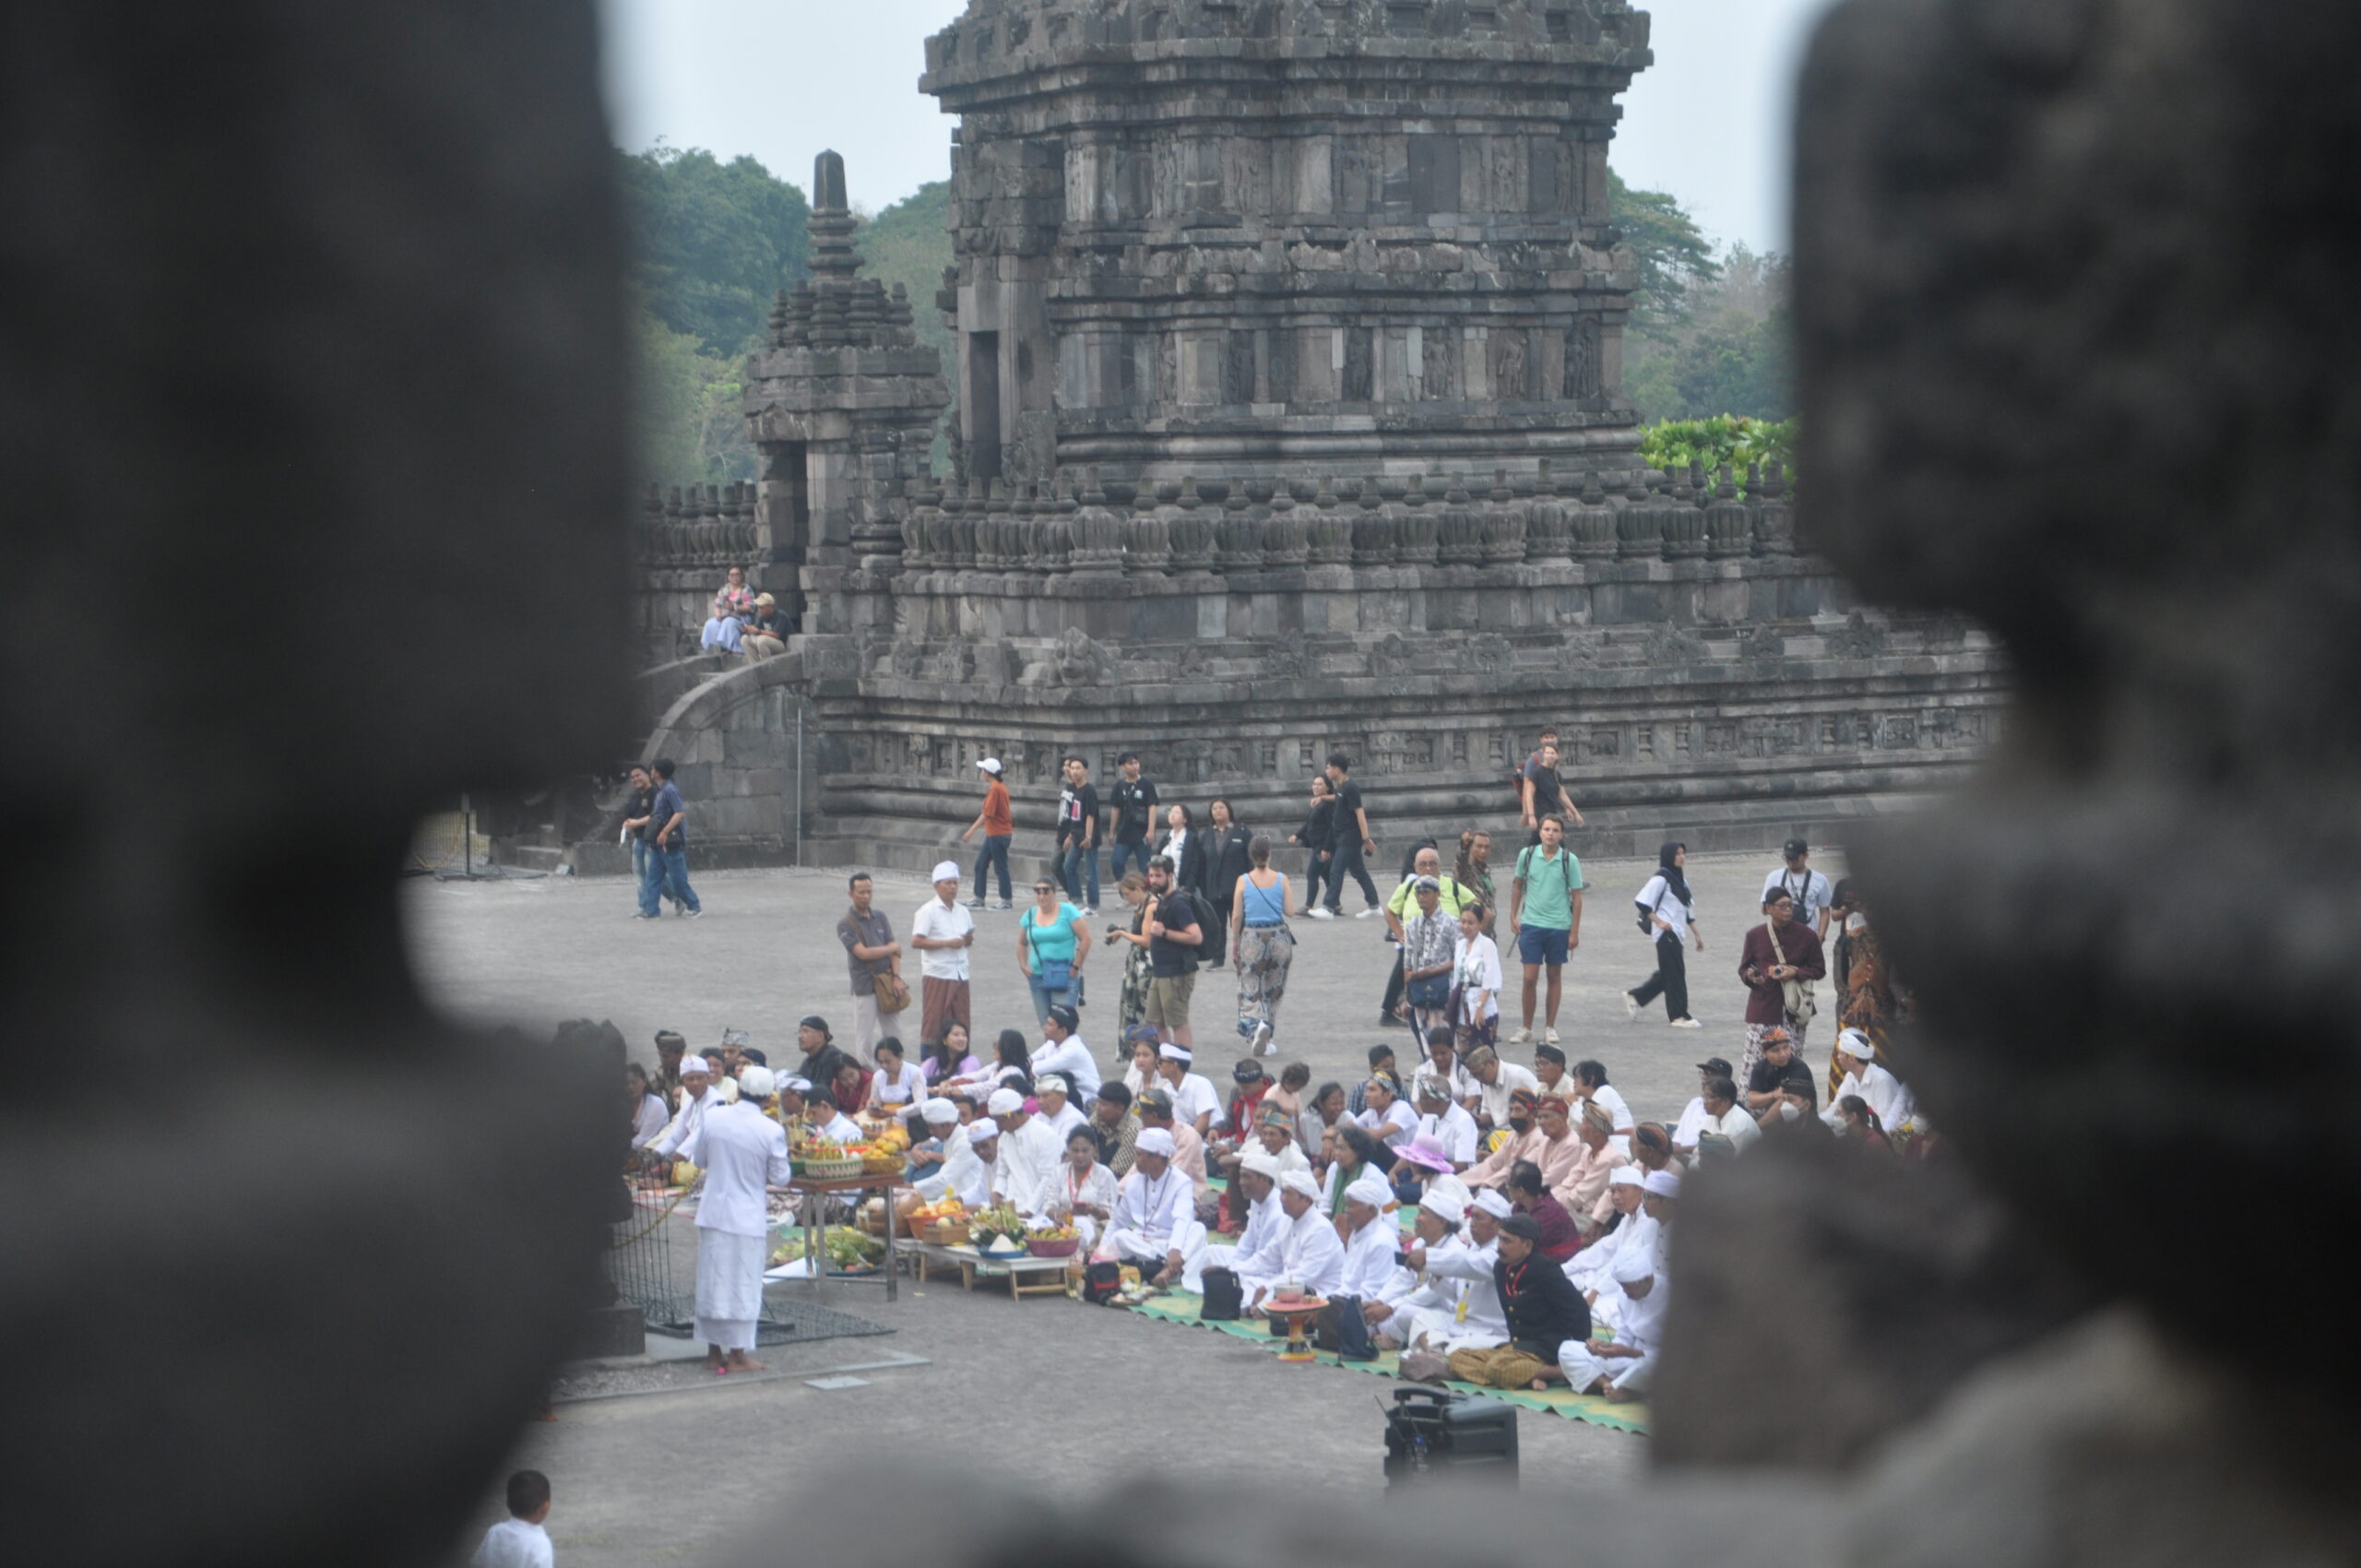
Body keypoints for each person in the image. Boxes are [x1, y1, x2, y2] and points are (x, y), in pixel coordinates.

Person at [681, 1064, 792, 1373]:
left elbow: (700, 1160)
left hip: (714, 1212)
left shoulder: (714, 1117)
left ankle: (714, 1353)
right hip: (746, 1217)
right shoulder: (771, 1130)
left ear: (739, 1090)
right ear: (769, 1097)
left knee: (712, 1283)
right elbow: (781, 1178)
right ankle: (738, 1355)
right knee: (742, 1285)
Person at [1445, 1213, 1591, 1390]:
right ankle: (1532, 1375)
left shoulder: (1545, 1269)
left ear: (1527, 1245)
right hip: (1518, 1347)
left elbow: (1579, 1310)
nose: (1499, 1247)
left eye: (1507, 1241)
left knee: (1497, 1367)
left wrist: (1579, 1354)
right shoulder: (1501, 1268)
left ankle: (1558, 1371)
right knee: (1457, 1358)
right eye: (1499, 1239)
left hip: (1547, 1350)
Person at [1095, 1127, 1207, 1288]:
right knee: (1120, 1237)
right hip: (1143, 1246)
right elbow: (1118, 1222)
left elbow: (1182, 1219)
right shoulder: (1134, 1182)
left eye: (1140, 1155)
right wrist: (1101, 1252)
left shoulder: (1181, 1182)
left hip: (1170, 1242)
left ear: (1156, 1157)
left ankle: (1164, 1269)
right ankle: (1167, 1269)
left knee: (1198, 1229)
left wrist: (1174, 1249)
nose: (1136, 1160)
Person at [1738, 885, 1827, 1086]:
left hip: (1793, 1010)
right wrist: (1752, 976)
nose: (1788, 909)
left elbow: (1819, 969)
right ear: (1768, 908)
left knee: (1790, 1063)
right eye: (1782, 906)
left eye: (1790, 905)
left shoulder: (1808, 936)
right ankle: (1753, 1107)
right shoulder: (1755, 935)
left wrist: (1795, 972)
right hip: (1763, 1008)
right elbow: (1743, 968)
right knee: (1755, 1063)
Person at [1508, 814, 1584, 1045]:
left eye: (1555, 830)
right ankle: (1526, 1026)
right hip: (1531, 923)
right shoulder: (1527, 855)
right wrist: (1513, 915)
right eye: (1547, 829)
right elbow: (1518, 885)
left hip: (1559, 925)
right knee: (1529, 977)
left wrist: (1574, 931)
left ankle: (1550, 1027)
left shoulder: (1569, 860)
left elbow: (1577, 897)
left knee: (1554, 975)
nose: (1550, 833)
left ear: (1561, 834)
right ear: (1540, 832)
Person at [1559, 1246, 1665, 1403]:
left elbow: (1677, 1353)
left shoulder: (1672, 1296)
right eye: (1622, 1286)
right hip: (1630, 1362)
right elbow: (1624, 1337)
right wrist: (1606, 1348)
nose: (1625, 1291)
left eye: (1629, 1286)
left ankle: (1627, 1390)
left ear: (1648, 1279)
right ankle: (1610, 1386)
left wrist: (1628, 1352)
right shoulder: (1624, 1295)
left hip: (1655, 1364)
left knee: (1652, 1366)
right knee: (1567, 1349)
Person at [1228, 835, 1295, 1055]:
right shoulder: (1281, 878)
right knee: (1275, 987)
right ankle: (1268, 1031)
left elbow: (1237, 915)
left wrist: (1235, 941)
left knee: (1250, 983)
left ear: (1251, 855)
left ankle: (1256, 1026)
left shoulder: (1243, 880)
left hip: (1252, 937)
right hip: (1278, 936)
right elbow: (1290, 911)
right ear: (1270, 854)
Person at [1627, 840, 1702, 1028]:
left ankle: (1637, 996)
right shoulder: (1660, 878)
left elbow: (1686, 910)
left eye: (1683, 853)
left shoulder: (1681, 880)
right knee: (1676, 974)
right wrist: (1658, 921)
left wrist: (1697, 934)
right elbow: (1642, 902)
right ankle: (1678, 1015)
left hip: (1678, 932)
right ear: (1668, 856)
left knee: (1670, 971)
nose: (1681, 857)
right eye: (1677, 854)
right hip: (1666, 933)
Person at [1247, 1169, 1347, 1310]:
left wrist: (1268, 1287)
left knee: (1269, 1297)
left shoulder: (1320, 1229)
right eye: (1282, 1192)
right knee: (1243, 1281)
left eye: (1288, 1193)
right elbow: (1266, 1258)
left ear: (1307, 1199)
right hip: (1287, 1285)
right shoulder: (1285, 1222)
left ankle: (1262, 1307)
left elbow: (1304, 1276)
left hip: (1315, 1293)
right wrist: (1234, 1270)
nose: (1282, 1198)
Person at [1139, 857, 1204, 1050]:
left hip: (1177, 972)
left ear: (1170, 875)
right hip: (1160, 972)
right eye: (1151, 876)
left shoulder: (1178, 902)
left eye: (1158, 876)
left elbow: (1196, 936)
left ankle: (1182, 1065)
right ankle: (1166, 1061)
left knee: (1177, 1021)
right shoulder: (1162, 901)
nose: (1154, 880)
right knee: (1154, 1021)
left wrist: (1165, 932)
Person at [836, 872, 902, 1057]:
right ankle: (868, 1075)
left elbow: (896, 951)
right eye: (861, 892)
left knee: (894, 1032)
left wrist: (897, 977)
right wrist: (890, 948)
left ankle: (897, 1066)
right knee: (864, 1037)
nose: (866, 896)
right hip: (864, 985)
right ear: (850, 894)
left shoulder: (880, 917)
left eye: (869, 892)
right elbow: (863, 953)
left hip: (887, 983)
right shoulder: (846, 924)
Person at [911, 860, 977, 1045]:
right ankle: (931, 1063)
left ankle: (960, 1061)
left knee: (961, 1019)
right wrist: (946, 943)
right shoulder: (928, 911)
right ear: (936, 885)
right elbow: (916, 941)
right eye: (948, 883)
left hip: (960, 973)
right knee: (935, 1020)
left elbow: (969, 937)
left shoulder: (963, 911)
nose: (953, 887)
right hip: (938, 973)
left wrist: (967, 939)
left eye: (955, 883)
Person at [1311, 752, 1381, 918]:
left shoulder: (1351, 787)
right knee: (1359, 872)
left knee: (1336, 869)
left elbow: (1360, 814)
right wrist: (1323, 798)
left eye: (1328, 768)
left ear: (1337, 769)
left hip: (1350, 838)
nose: (1326, 771)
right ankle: (1374, 905)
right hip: (1342, 836)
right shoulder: (1342, 787)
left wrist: (1366, 839)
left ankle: (1328, 907)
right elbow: (1338, 798)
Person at [1016, 876, 1092, 1024]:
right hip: (1038, 975)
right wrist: (1023, 965)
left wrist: (1075, 966)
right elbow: (1021, 943)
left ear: (1054, 892)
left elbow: (1086, 939)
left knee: (1061, 1024)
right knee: (1046, 1025)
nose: (1041, 896)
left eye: (1046, 891)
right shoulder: (1030, 915)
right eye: (1038, 892)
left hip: (1063, 973)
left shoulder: (1067, 911)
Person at [1822, 1028, 1916, 1134]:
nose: (1838, 1057)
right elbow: (1835, 1107)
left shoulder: (1881, 1080)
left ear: (1852, 1059)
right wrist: (1820, 1124)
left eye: (1841, 1053)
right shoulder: (1851, 1076)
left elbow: (1885, 1122)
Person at [1198, 798, 1251, 971]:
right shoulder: (1206, 835)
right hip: (1214, 887)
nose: (1218, 811)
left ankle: (1244, 956)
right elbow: (1201, 863)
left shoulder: (1242, 832)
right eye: (1214, 808)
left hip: (1237, 887)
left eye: (1221, 807)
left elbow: (1250, 860)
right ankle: (1218, 957)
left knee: (1240, 923)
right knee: (1217, 925)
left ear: (1229, 810)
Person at [1462, 1087, 1548, 1190]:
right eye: (1511, 1109)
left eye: (1518, 1110)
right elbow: (1492, 1164)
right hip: (1502, 1182)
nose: (1512, 1115)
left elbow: (1515, 1170)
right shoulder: (1512, 1135)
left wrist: (1487, 1185)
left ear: (1532, 1113)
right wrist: (1460, 1180)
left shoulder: (1539, 1138)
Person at [1447, 902, 1504, 1055]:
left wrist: (1480, 1006)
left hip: (1481, 1003)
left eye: (1470, 922)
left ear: (1480, 923)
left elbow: (1489, 978)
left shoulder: (1486, 944)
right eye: (1463, 921)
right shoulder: (1460, 945)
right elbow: (1456, 977)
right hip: (1462, 1005)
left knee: (1483, 1054)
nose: (1466, 926)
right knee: (1463, 1053)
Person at [647, 756, 703, 918]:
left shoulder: (669, 790)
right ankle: (651, 911)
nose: (651, 771)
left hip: (670, 841)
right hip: (657, 841)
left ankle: (695, 905)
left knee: (678, 880)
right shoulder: (660, 790)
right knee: (653, 878)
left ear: (658, 772)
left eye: (653, 769)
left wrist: (665, 832)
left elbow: (679, 813)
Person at [642, 1055, 720, 1168]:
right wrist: (656, 1154)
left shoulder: (716, 1101)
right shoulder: (689, 1102)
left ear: (708, 1079)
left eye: (700, 1078)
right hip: (689, 1158)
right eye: (690, 1079)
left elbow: (698, 1138)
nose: (695, 1083)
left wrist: (671, 1161)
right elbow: (675, 1136)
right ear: (682, 1082)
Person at [1050, 1124, 1120, 1250]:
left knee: (1081, 1226)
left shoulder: (1104, 1174)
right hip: (1062, 1226)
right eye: (1075, 1150)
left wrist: (1094, 1211)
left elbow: (1112, 1214)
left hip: (1093, 1227)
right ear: (1068, 1150)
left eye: (1085, 1150)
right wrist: (1060, 1214)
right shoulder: (1059, 1172)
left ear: (1094, 1149)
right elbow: (1048, 1206)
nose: (1080, 1155)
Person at [959, 756, 1014, 910]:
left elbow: (987, 813)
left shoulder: (995, 789)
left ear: (988, 773)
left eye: (983, 770)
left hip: (998, 833)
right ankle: (979, 898)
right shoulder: (999, 787)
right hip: (996, 833)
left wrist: (971, 831)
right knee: (981, 865)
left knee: (999, 867)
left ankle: (1005, 900)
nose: (982, 773)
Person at [471, 1471, 553, 1568]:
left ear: (508, 1503)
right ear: (545, 1507)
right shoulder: (540, 1543)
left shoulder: (495, 1531)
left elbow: (477, 1563)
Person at [1109, 872, 1156, 1031]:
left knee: (1143, 1010)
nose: (1126, 899)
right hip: (1137, 962)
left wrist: (1123, 934)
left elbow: (1146, 940)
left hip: (1147, 965)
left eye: (1127, 894)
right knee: (1131, 1007)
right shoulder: (1142, 905)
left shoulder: (1151, 906)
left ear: (1137, 889)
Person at [1055, 755, 1102, 912]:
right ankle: (1076, 900)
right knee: (1069, 866)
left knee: (1091, 871)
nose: (1075, 771)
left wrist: (1088, 837)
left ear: (1086, 771)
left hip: (1088, 835)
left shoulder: (1089, 790)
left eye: (1078, 768)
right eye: (1073, 768)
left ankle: (1093, 905)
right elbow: (1074, 816)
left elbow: (1090, 815)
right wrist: (1070, 836)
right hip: (1075, 834)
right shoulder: (1074, 788)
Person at [1745, 1028, 1820, 1124]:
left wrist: (1758, 1127)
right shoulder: (1760, 1067)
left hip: (1802, 1123)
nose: (1783, 1054)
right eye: (1775, 1050)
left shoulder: (1799, 1068)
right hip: (1774, 1123)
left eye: (1785, 1047)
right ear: (1764, 1053)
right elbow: (1752, 1101)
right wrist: (1773, 1095)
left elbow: (1784, 1103)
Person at [1764, 837, 1834, 939]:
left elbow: (1824, 911)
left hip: (1808, 935)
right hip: (1780, 936)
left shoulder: (1820, 880)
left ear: (1806, 856)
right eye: (1788, 858)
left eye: (1795, 858)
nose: (1791, 861)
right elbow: (1764, 908)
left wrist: (1820, 936)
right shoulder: (1774, 877)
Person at [1028, 1004, 1101, 1101]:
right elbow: (1029, 1061)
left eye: (1049, 1025)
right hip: (1069, 1093)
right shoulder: (1051, 1043)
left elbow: (1033, 1070)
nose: (1045, 1027)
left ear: (1062, 1031)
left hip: (1086, 1099)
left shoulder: (1073, 1050)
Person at [1462, 1043, 1541, 1133]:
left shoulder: (1518, 1075)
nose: (1478, 1079)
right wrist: (1475, 1119)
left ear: (1491, 1063)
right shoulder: (1486, 1081)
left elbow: (1542, 1103)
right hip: (1498, 1133)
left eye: (1479, 1074)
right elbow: (1489, 1115)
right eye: (1474, 1076)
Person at [1680, 1075, 1761, 1164]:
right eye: (1704, 1096)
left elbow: (1733, 1164)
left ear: (1725, 1101)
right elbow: (1699, 1153)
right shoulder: (1711, 1117)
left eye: (1710, 1097)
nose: (1705, 1101)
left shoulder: (1740, 1127)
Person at [1519, 737, 1585, 840]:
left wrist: (1575, 812)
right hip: (1540, 814)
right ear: (1543, 755)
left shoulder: (1556, 774)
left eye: (1553, 753)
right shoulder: (1536, 773)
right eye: (1547, 753)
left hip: (1552, 813)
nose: (1550, 755)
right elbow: (1529, 795)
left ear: (1557, 756)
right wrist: (1531, 815)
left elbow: (1562, 795)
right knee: (1537, 842)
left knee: (1555, 842)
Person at [621, 763, 664, 920]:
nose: (635, 779)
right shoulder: (634, 797)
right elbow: (630, 816)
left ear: (647, 775)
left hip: (652, 840)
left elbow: (655, 816)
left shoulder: (655, 793)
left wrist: (636, 823)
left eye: (638, 775)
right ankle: (643, 906)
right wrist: (628, 825)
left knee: (653, 875)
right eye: (632, 777)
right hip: (638, 840)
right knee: (640, 875)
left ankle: (675, 897)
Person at [1410, 1075, 1481, 1170]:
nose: (1419, 1102)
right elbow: (1416, 1149)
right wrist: (1394, 1171)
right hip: (1429, 1170)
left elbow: (1462, 1164)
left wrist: (1428, 1174)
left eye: (1424, 1098)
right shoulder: (1429, 1115)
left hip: (1453, 1176)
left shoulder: (1463, 1121)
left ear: (1437, 1101)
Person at [1109, 752, 1159, 884]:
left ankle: (1147, 895)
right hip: (1124, 831)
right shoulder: (1119, 786)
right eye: (1130, 764)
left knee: (1145, 867)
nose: (1134, 766)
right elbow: (1115, 809)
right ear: (1123, 767)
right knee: (1117, 862)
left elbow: (1152, 806)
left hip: (1141, 831)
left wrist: (1151, 830)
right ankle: (1126, 891)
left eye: (1136, 763)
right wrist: (1112, 831)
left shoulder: (1146, 784)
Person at [1288, 775, 1335, 914]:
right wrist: (1297, 835)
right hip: (1317, 844)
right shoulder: (1317, 803)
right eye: (1314, 784)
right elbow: (1309, 824)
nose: (1316, 787)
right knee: (1326, 874)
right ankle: (1335, 904)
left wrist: (1326, 848)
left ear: (1327, 787)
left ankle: (1309, 905)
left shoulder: (1328, 804)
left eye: (1320, 784)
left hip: (1323, 845)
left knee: (1312, 873)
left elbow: (1331, 828)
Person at [1155, 1042, 1223, 1134]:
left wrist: (1187, 1141)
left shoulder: (1200, 1084)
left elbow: (1204, 1120)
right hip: (1186, 1137)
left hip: (1211, 1135)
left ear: (1174, 1065)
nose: (1158, 1065)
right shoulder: (1166, 1089)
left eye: (1161, 1062)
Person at [1090, 1080, 1143, 1176]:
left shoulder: (1133, 1130)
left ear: (1119, 1109)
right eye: (1098, 1102)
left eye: (1103, 1104)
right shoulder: (1098, 1116)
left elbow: (1116, 1172)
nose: (1097, 1107)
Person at [1453, 829, 1499, 941]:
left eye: (1486, 847)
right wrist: (1463, 847)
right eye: (1479, 846)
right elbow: (1460, 862)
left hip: (1488, 934)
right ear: (1471, 847)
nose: (1483, 851)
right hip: (1472, 934)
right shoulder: (1467, 870)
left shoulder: (1485, 871)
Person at [700, 564, 753, 653]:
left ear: (741, 576)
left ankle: (735, 648)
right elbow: (717, 604)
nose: (734, 577)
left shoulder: (745, 589)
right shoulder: (724, 589)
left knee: (728, 622)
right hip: (726, 616)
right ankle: (718, 648)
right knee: (710, 624)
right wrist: (718, 615)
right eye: (732, 575)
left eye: (737, 574)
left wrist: (735, 607)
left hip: (742, 618)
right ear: (728, 577)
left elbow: (750, 607)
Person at [868, 1037, 924, 1114]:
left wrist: (894, 1112)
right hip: (884, 1119)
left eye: (888, 1062)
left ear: (900, 1056)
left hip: (910, 1122)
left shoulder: (914, 1072)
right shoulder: (878, 1076)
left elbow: (921, 1105)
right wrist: (872, 1105)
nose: (884, 1066)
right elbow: (875, 1101)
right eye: (880, 1062)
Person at [919, 1021, 979, 1086]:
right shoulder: (933, 1062)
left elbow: (963, 1085)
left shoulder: (971, 1061)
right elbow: (917, 1081)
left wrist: (932, 1089)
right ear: (944, 1040)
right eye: (956, 1035)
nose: (961, 1039)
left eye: (964, 1035)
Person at [625, 1063, 670, 1146]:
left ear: (644, 1081)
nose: (630, 1087)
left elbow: (643, 1140)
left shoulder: (656, 1104)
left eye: (634, 1083)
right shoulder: (624, 1105)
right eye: (627, 1084)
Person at [742, 591, 791, 661]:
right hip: (765, 643)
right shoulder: (761, 616)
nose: (759, 610)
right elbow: (756, 629)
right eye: (758, 607)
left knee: (762, 640)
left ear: (770, 606)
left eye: (762, 607)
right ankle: (756, 667)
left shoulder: (781, 615)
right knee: (745, 639)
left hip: (782, 644)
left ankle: (766, 666)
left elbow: (776, 635)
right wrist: (748, 629)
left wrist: (758, 631)